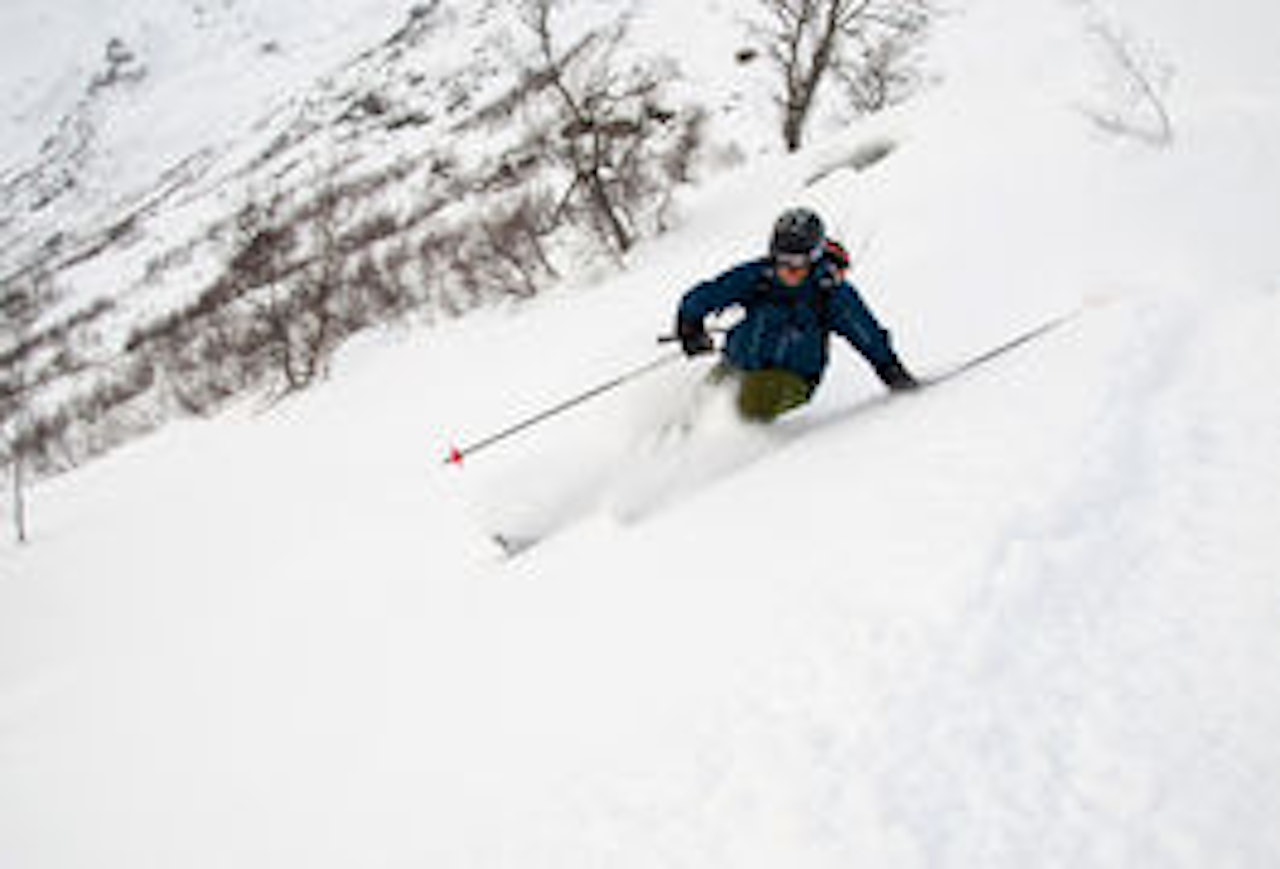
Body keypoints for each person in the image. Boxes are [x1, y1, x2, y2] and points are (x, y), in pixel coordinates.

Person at [674, 207, 917, 422]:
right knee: (698, 405)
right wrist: (690, 325)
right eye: (782, 259)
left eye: (798, 261)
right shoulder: (759, 277)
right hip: (737, 362)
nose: (788, 269)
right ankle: (674, 450)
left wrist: (890, 368)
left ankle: (732, 451)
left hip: (792, 378)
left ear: (814, 257)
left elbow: (866, 333)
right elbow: (710, 293)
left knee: (746, 404)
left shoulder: (829, 293)